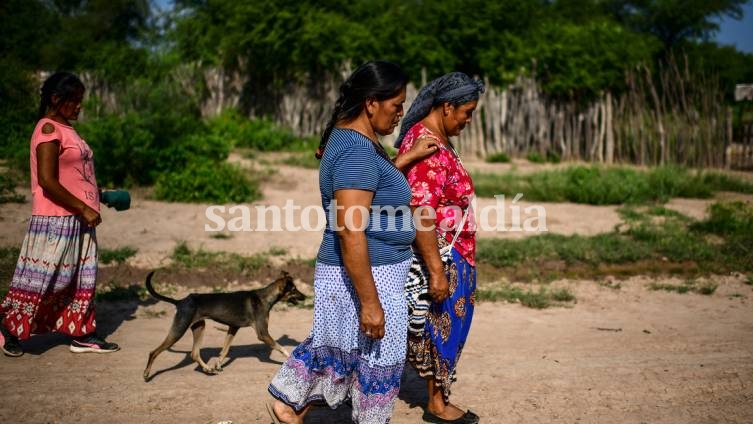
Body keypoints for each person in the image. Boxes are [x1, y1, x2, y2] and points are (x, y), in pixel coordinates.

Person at [266, 61, 438, 424]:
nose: (400, 114)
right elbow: (350, 230)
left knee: (344, 347)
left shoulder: (354, 143)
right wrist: (371, 302)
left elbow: (373, 186)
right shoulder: (357, 152)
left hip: (368, 269)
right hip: (369, 272)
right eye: (396, 105)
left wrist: (405, 159)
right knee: (377, 355)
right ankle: (294, 404)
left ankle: (290, 406)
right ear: (371, 103)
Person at [0, 71, 120, 357]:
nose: (79, 105)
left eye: (80, 100)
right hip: (56, 220)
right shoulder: (48, 130)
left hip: (80, 219)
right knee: (42, 278)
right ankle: (8, 328)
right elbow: (47, 180)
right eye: (74, 100)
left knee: (81, 278)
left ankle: (81, 333)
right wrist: (82, 207)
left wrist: (99, 194)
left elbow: (74, 175)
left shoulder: (67, 129)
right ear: (56, 99)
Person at [394, 72, 485, 424]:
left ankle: (437, 396)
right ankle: (437, 403)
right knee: (440, 323)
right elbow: (420, 210)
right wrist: (435, 269)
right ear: (447, 107)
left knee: (445, 323)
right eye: (467, 112)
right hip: (442, 255)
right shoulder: (427, 145)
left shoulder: (435, 139)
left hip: (454, 252)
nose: (468, 120)